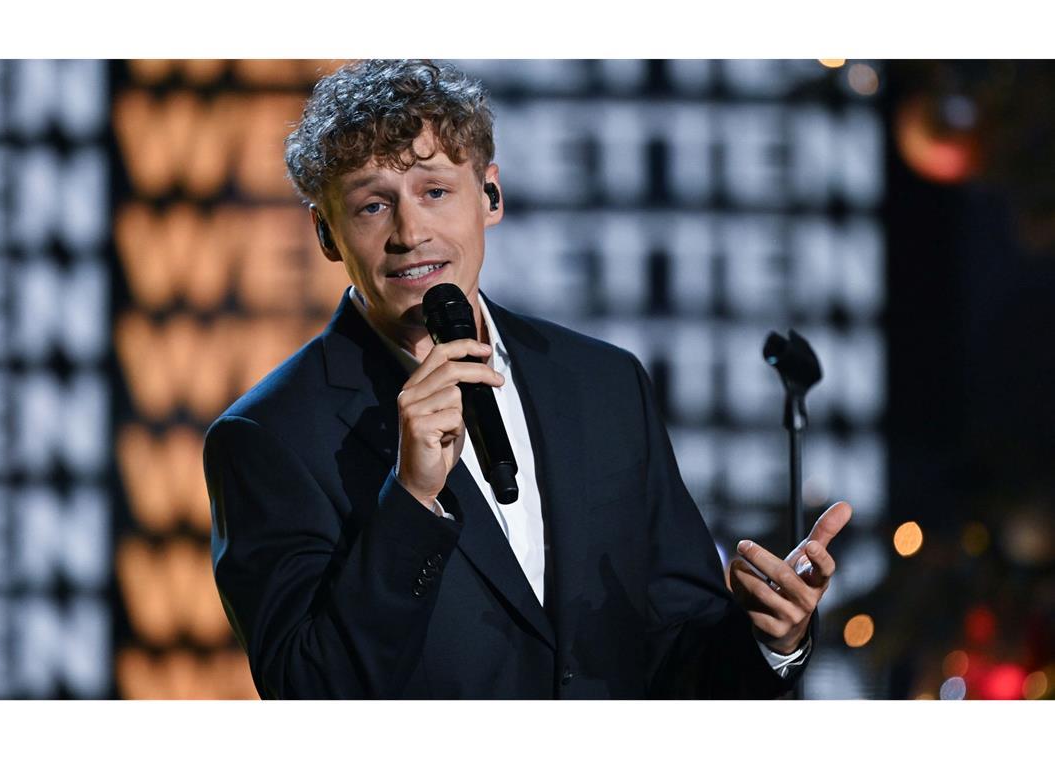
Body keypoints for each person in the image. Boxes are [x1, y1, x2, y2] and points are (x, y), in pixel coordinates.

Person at [203, 59, 852, 699]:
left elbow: (679, 653)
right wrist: (410, 501)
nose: (410, 233)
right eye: (373, 205)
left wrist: (772, 639)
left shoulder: (603, 383)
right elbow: (310, 692)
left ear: (490, 195)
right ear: (325, 232)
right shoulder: (269, 436)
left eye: (435, 192)